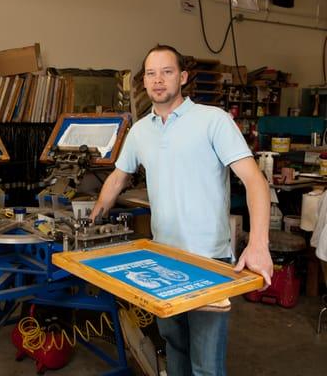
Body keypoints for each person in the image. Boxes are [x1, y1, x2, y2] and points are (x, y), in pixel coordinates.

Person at [90, 45, 273, 375]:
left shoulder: (213, 120)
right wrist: (90, 220)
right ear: (143, 82)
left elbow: (255, 181)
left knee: (206, 365)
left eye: (167, 72)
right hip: (162, 260)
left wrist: (258, 243)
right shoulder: (140, 130)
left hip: (209, 262)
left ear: (183, 77)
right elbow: (118, 177)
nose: (158, 80)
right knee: (174, 348)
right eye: (151, 73)